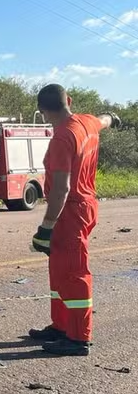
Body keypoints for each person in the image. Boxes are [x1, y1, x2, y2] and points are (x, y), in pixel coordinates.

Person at [28, 84, 122, 356]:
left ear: (43, 112)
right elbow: (104, 120)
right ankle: (61, 326)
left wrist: (45, 227)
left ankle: (79, 337)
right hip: (83, 206)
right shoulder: (87, 122)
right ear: (68, 101)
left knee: (75, 272)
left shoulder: (62, 138)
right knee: (59, 270)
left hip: (71, 210)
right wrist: (112, 117)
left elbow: (61, 189)